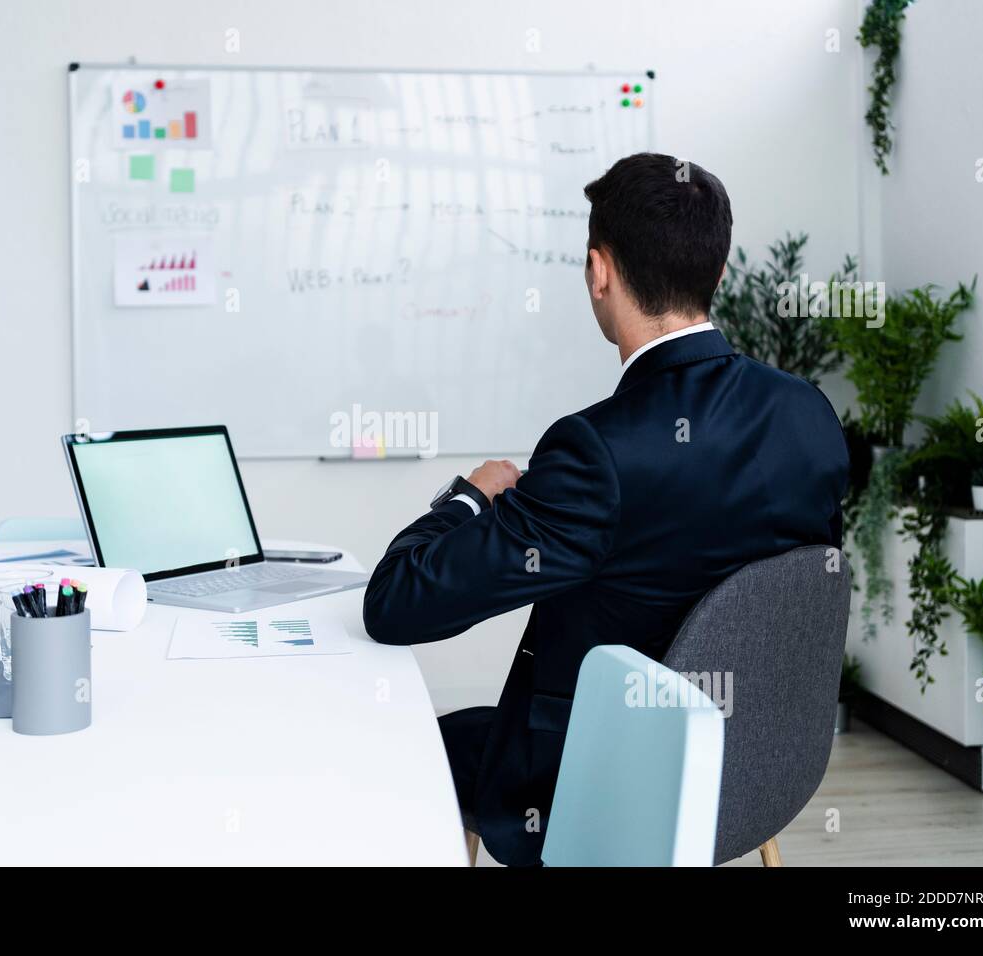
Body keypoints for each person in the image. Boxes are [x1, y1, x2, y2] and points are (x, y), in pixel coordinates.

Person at [362, 152, 849, 866]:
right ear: (719, 272)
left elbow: (396, 603)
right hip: (749, 772)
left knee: (416, 743)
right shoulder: (807, 414)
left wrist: (471, 494)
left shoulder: (597, 453)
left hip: (593, 790)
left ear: (599, 271)